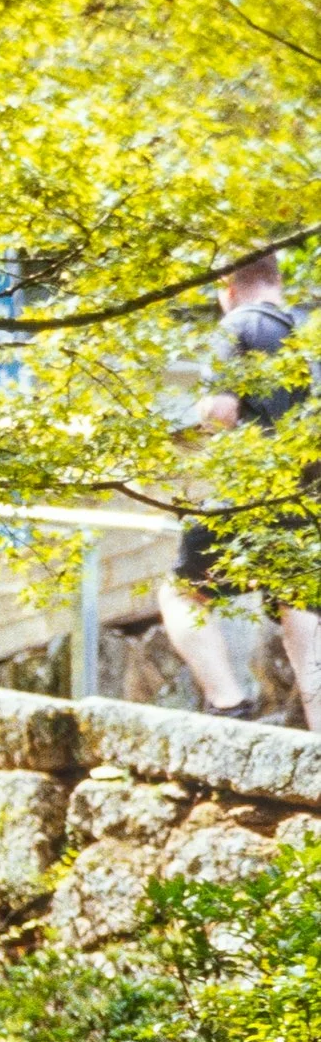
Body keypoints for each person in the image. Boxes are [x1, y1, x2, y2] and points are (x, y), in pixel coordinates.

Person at [156, 253, 321, 728]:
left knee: (183, 593)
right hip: (309, 497)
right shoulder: (306, 337)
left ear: (226, 289)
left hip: (256, 492)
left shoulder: (237, 328)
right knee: (301, 604)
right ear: (277, 282)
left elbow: (222, 414)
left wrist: (198, 410)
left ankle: (229, 703)